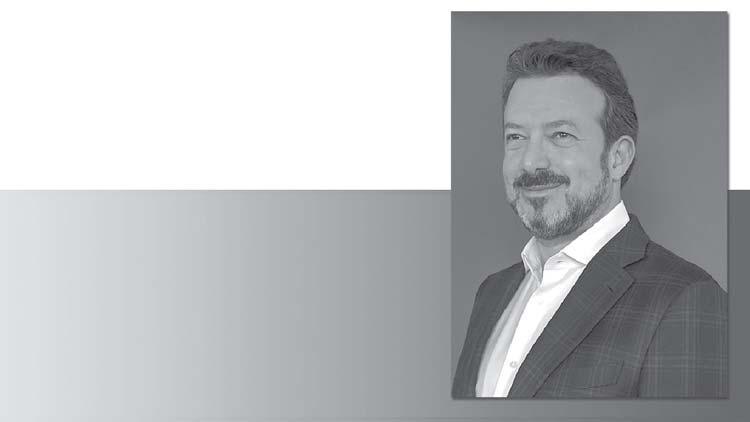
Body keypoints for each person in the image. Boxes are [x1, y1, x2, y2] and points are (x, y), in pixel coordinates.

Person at [452, 39, 727, 398]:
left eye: (561, 135)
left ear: (618, 158)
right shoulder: (491, 294)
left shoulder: (684, 300)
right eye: (516, 136)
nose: (531, 161)